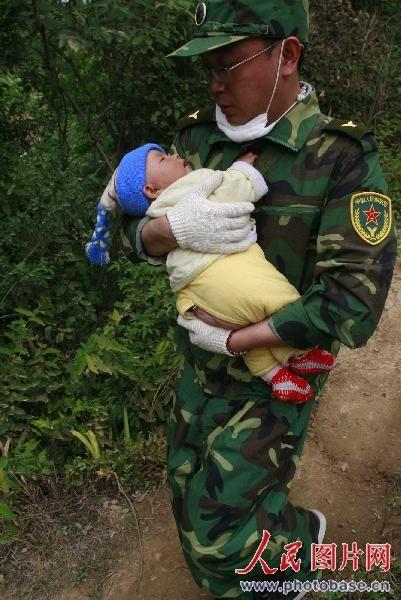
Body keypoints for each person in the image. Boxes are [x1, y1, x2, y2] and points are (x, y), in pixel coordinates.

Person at [117, 1, 397, 598]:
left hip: (274, 375)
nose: (215, 84)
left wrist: (240, 339)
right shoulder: (196, 138)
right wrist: (162, 232)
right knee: (186, 494)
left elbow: (352, 301)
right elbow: (132, 223)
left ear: (287, 55)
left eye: (228, 64)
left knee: (217, 542)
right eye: (207, 68)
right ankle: (283, 537)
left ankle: (299, 552)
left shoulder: (341, 159)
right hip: (198, 366)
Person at [87, 144, 337, 403]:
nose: (175, 155)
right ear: (152, 190)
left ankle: (273, 374)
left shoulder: (154, 212)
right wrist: (242, 168)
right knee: (277, 298)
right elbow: (235, 189)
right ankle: (299, 353)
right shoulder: (192, 184)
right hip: (221, 273)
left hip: (196, 295)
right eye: (163, 158)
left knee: (248, 324)